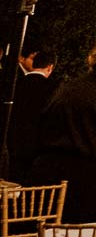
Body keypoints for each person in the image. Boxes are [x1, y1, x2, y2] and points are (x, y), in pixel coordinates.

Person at [30, 36, 96, 223]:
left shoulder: (66, 88)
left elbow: (42, 125)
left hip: (47, 170)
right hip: (86, 177)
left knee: (41, 227)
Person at [8, 45, 56, 183]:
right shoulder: (54, 89)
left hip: (12, 145)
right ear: (50, 67)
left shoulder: (14, 84)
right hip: (38, 149)